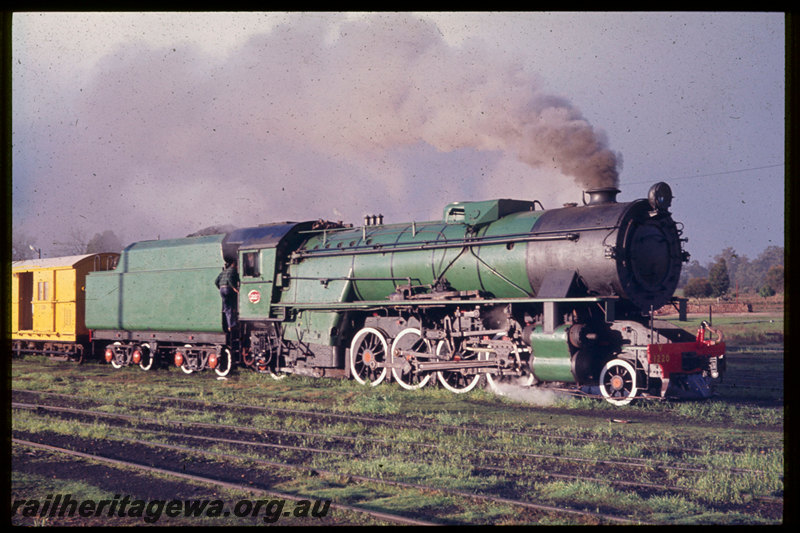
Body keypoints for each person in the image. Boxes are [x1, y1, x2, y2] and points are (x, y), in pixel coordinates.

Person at [215, 260, 240, 332]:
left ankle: (229, 325)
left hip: (222, 289)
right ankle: (233, 324)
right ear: (236, 266)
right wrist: (234, 288)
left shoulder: (224, 272)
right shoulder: (233, 271)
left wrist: (220, 288)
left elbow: (216, 281)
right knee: (233, 306)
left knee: (227, 308)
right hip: (228, 289)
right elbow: (230, 279)